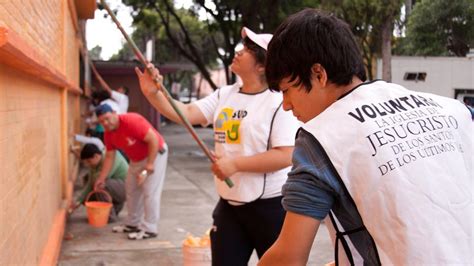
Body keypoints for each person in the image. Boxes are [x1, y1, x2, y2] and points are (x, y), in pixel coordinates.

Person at [258, 9, 473, 265]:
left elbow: (288, 257)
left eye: (286, 90)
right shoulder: (453, 110)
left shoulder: (320, 139)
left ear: (318, 74)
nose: (286, 105)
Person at [135, 27, 300, 265]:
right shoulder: (225, 94)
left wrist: (235, 164)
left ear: (263, 66)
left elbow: (286, 155)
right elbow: (188, 112)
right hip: (230, 204)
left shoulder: (277, 102)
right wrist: (154, 94)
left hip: (270, 207)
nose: (239, 52)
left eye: (248, 50)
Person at [94, 103, 168, 240]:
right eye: (101, 121)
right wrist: (102, 178)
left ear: (115, 113)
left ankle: (150, 228)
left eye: (107, 118)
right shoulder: (108, 134)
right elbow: (110, 156)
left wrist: (150, 165)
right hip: (136, 159)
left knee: (150, 190)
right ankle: (132, 223)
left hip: (156, 153)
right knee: (131, 188)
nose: (105, 123)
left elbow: (153, 140)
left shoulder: (132, 121)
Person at [69, 144, 127, 223]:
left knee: (100, 185)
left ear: (96, 156)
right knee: (87, 196)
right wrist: (78, 201)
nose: (88, 164)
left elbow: (99, 180)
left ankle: (110, 216)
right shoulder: (96, 163)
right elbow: (89, 183)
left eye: (89, 161)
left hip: (125, 188)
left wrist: (93, 180)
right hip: (115, 187)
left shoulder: (110, 158)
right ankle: (114, 208)